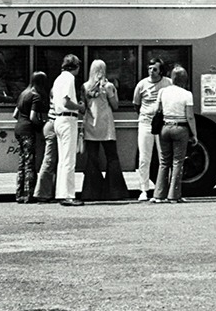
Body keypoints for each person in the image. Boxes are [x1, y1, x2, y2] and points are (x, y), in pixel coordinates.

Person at [77, 59, 128, 202]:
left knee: (92, 158)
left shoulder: (85, 86)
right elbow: (115, 105)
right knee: (112, 157)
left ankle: (91, 192)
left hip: (91, 125)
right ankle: (115, 192)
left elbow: (84, 107)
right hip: (106, 126)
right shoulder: (109, 86)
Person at [152, 65, 198, 204]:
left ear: (172, 78)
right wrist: (194, 134)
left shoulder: (163, 91)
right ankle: (174, 195)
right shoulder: (187, 94)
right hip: (180, 128)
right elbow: (190, 116)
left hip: (165, 128)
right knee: (178, 162)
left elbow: (157, 110)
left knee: (164, 162)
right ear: (185, 79)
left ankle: (159, 195)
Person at [47, 54, 85, 206]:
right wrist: (80, 107)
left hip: (58, 119)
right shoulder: (69, 78)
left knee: (63, 160)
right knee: (69, 159)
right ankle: (68, 195)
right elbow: (66, 101)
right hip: (68, 119)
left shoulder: (58, 79)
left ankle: (61, 194)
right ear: (75, 66)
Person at [131, 58, 171, 202]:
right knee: (144, 157)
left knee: (164, 157)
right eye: (150, 69)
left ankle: (164, 189)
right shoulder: (141, 84)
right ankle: (143, 190)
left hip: (162, 124)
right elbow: (136, 104)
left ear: (161, 70)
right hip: (145, 123)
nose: (152, 72)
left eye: (155, 69)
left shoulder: (168, 83)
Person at [12, 71, 49, 202]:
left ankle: (19, 193)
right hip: (28, 130)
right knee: (30, 162)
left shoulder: (23, 94)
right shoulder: (35, 96)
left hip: (18, 129)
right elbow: (33, 117)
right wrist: (41, 125)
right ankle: (29, 194)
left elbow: (15, 114)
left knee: (22, 162)